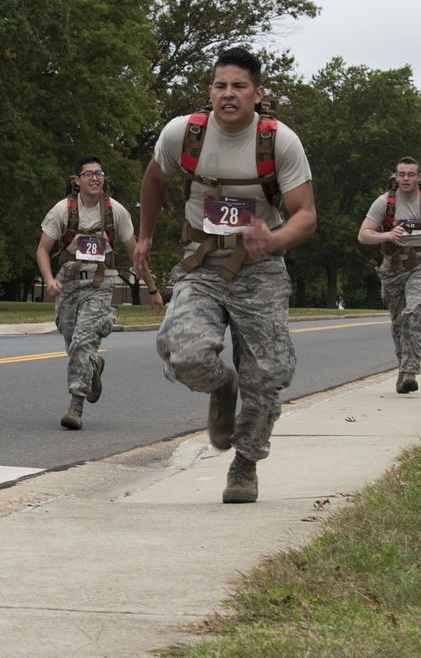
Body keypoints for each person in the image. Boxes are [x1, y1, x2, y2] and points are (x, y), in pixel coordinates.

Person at [133, 48, 316, 504]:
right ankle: (222, 385)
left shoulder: (279, 142)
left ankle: (245, 464)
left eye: (238, 86)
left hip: (261, 269)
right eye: (220, 86)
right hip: (202, 265)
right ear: (210, 90)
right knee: (185, 354)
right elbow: (154, 180)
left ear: (258, 92)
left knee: (269, 375)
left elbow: (306, 216)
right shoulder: (184, 133)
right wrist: (144, 238)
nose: (228, 94)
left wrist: (274, 240)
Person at [37, 155, 164, 430]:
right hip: (68, 285)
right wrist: (48, 279)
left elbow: (136, 254)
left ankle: (76, 405)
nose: (95, 178)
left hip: (100, 284)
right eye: (88, 174)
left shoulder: (114, 211)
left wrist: (152, 289)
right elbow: (43, 250)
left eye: (99, 173)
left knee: (82, 343)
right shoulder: (62, 210)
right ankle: (93, 366)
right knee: (75, 347)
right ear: (77, 180)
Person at [357, 157, 421, 394]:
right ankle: (403, 369)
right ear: (396, 176)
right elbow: (364, 235)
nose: (406, 179)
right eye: (402, 174)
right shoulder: (384, 202)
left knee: (414, 309)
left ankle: (410, 370)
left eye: (411, 174)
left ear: (419, 178)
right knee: (399, 321)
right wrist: (388, 235)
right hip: (393, 268)